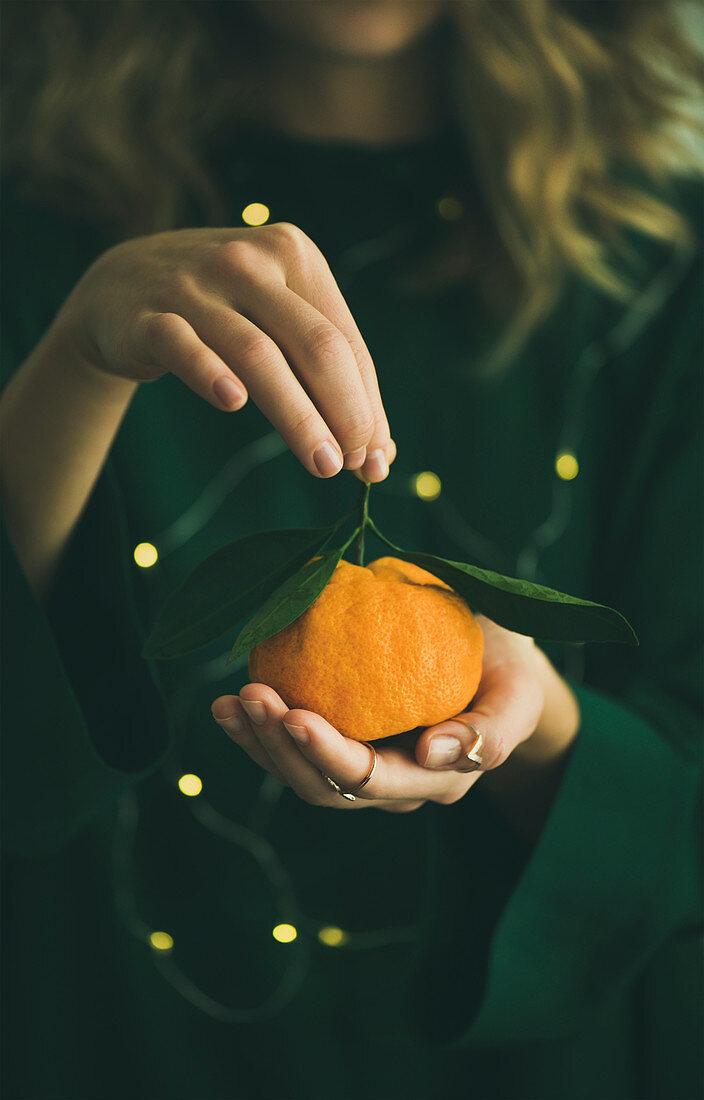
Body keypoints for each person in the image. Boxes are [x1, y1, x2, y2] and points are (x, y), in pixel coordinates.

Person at [1, 2, 702, 1098]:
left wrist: (534, 722)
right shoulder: (36, 233)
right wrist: (78, 361)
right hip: (111, 1039)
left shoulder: (663, 268)